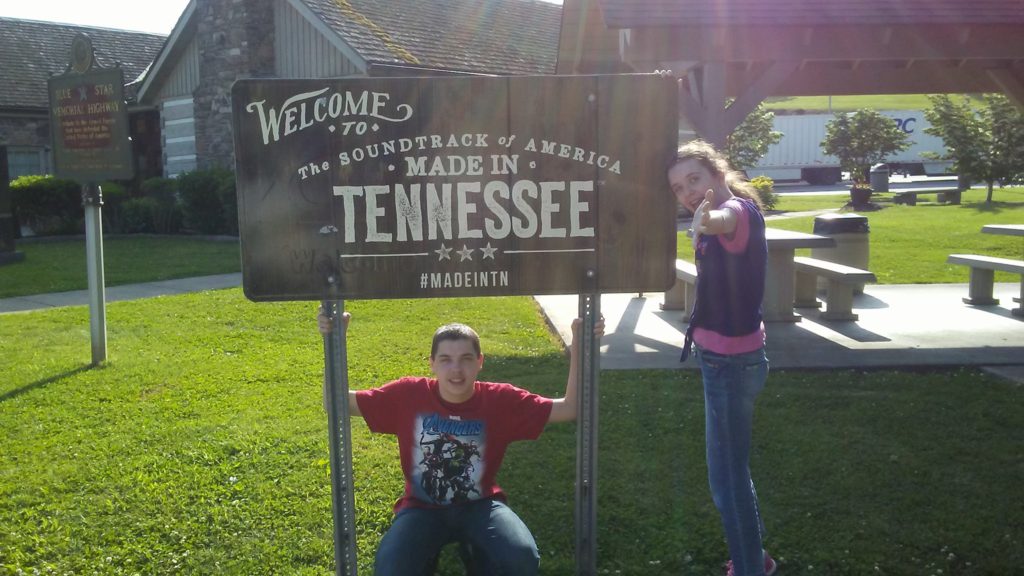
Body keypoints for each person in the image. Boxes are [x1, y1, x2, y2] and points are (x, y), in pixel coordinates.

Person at [318, 309, 603, 575]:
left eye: (466, 358)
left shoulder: (500, 400)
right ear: (431, 364)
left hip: (480, 505)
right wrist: (333, 340)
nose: (456, 370)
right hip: (421, 508)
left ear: (480, 362)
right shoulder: (407, 395)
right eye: (445, 359)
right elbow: (336, 402)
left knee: (522, 557)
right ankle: (427, 557)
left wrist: (581, 342)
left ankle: (477, 555)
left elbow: (570, 408)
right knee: (391, 566)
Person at [667, 139, 778, 576]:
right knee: (733, 471)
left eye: (694, 179)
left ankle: (752, 568)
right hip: (729, 360)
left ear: (717, 173)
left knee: (726, 481)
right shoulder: (736, 211)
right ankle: (754, 556)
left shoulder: (739, 213)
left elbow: (722, 220)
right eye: (678, 187)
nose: (688, 191)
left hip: (730, 366)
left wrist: (707, 220)